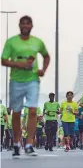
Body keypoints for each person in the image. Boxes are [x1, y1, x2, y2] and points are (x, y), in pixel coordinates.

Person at [1, 15, 50, 158]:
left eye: (28, 24)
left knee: (33, 110)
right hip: (16, 80)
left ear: (32, 26)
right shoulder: (12, 42)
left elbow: (46, 56)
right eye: (23, 24)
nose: (25, 26)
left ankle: (29, 144)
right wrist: (19, 64)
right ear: (19, 25)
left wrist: (43, 70)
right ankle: (16, 143)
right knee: (16, 112)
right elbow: (3, 60)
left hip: (33, 80)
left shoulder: (37, 42)